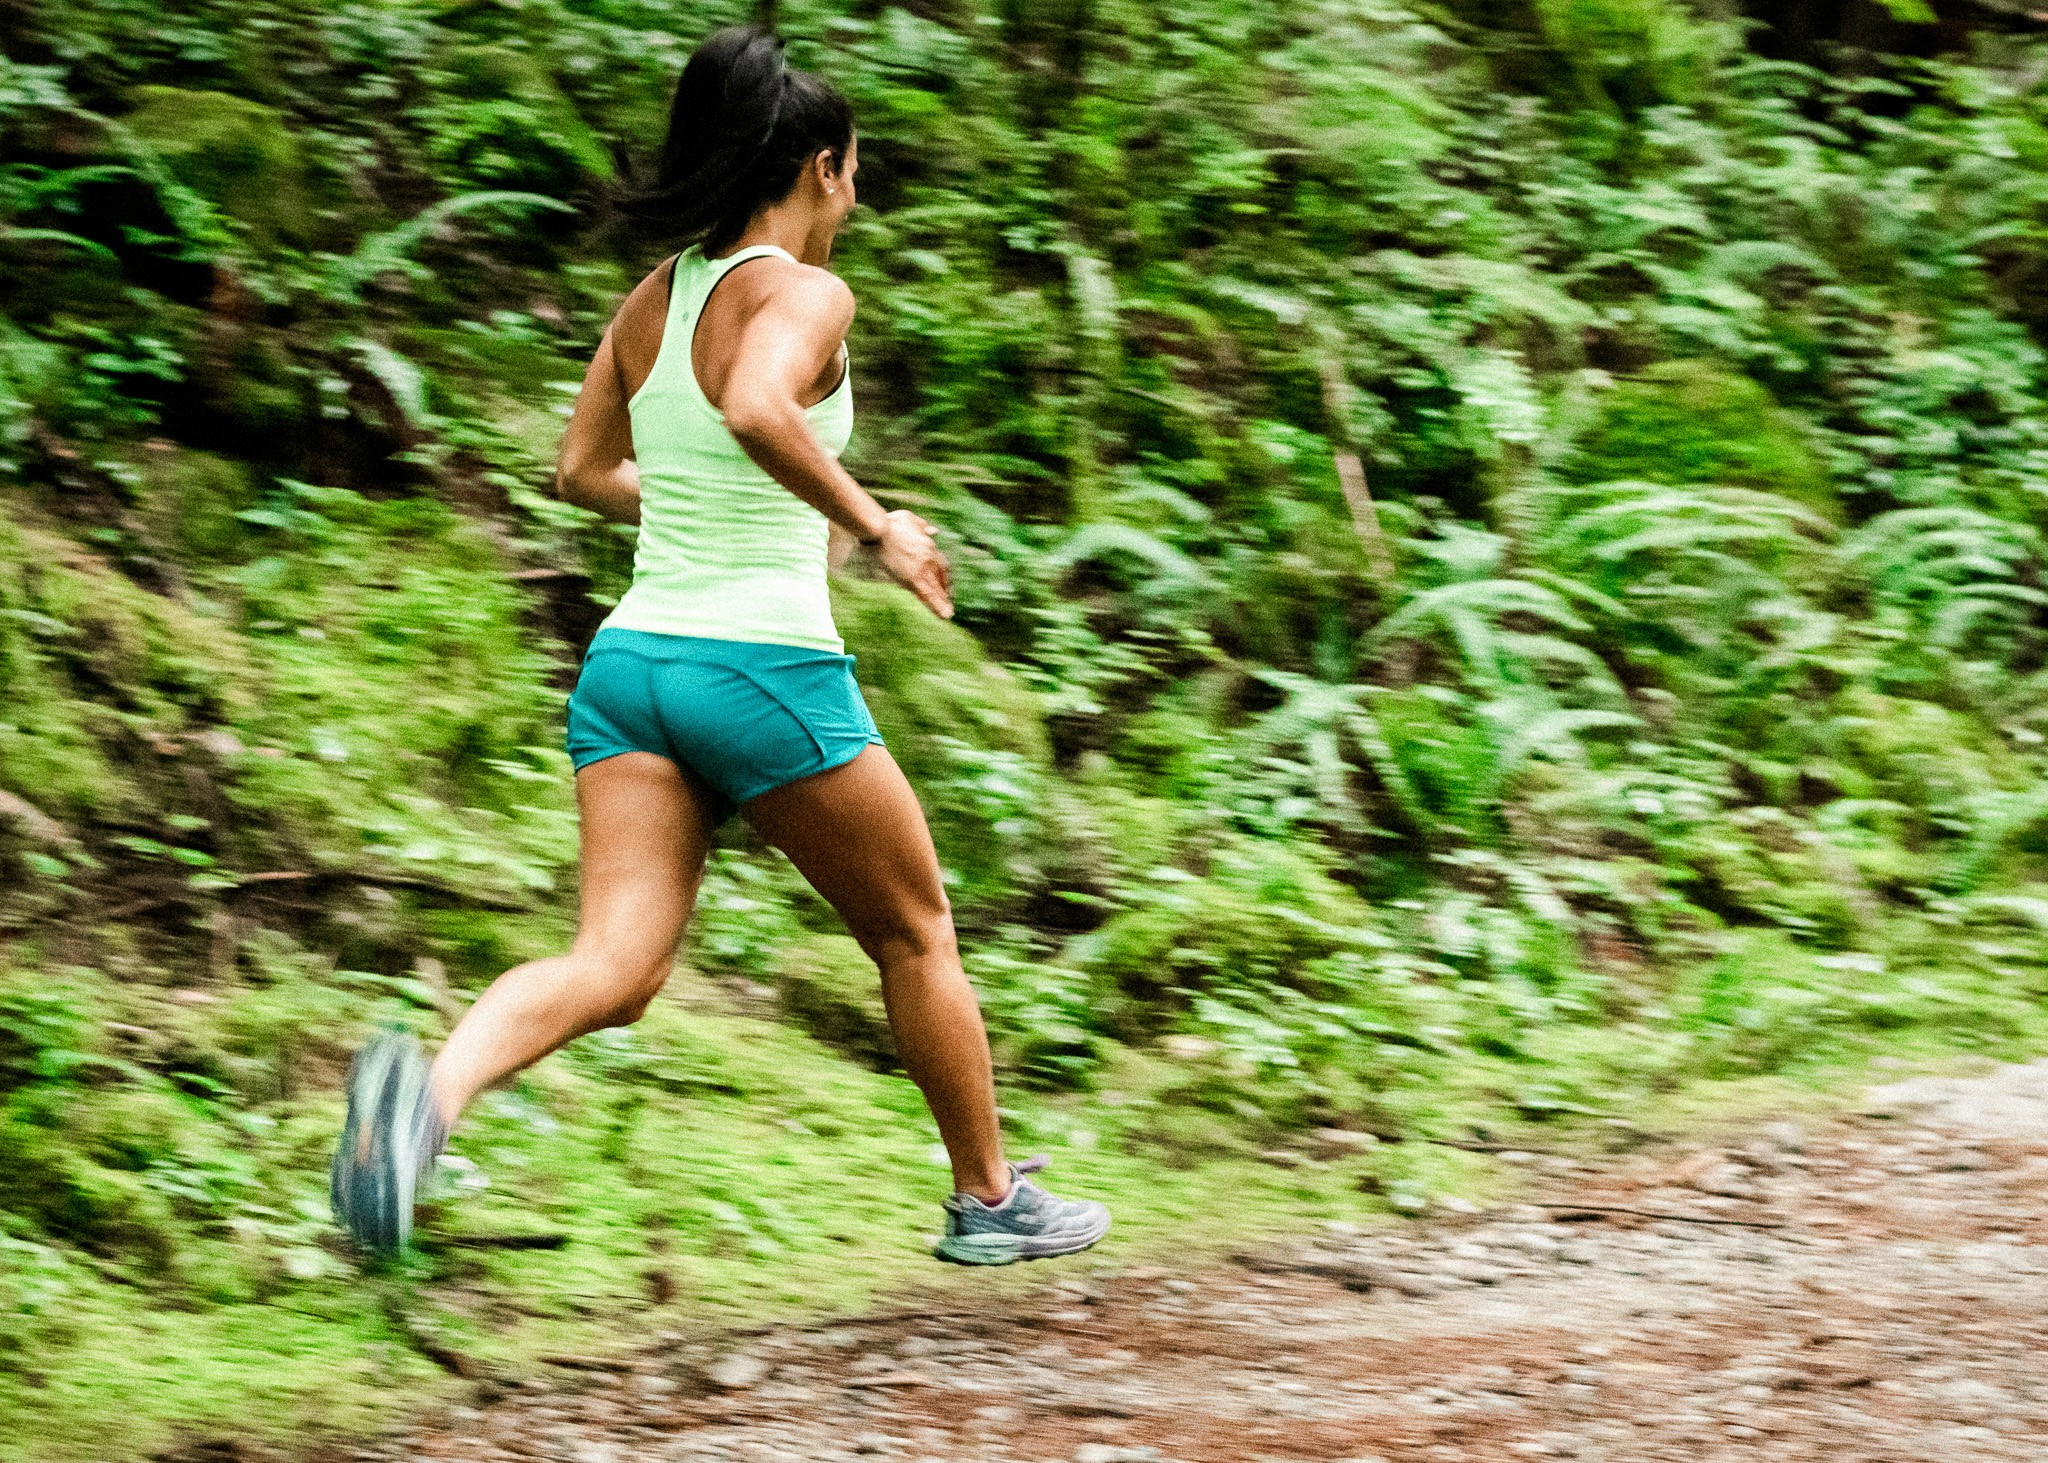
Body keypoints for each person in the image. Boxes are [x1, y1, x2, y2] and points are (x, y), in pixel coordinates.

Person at [330, 26, 1109, 1268]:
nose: (854, 196)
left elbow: (579, 471)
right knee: (915, 932)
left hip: (632, 666)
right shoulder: (804, 292)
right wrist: (876, 526)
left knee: (614, 964)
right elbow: (753, 403)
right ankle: (990, 1198)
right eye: (852, 172)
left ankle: (418, 1111)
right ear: (817, 168)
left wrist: (713, 502)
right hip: (758, 664)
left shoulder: (658, 294)